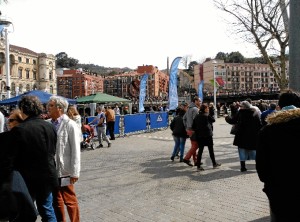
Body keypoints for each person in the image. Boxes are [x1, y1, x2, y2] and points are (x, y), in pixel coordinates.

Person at [1, 96, 58, 221]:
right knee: (47, 210)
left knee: (25, 212)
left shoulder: (20, 130)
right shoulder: (50, 127)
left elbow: (11, 158)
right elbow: (52, 150)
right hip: (48, 175)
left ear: (23, 110)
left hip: (27, 178)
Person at [256, 90, 300, 221]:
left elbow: (261, 168)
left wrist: (270, 185)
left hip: (279, 192)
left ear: (279, 107)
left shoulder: (266, 131)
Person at [47, 95, 81, 222]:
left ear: (59, 108)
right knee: (57, 199)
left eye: (51, 106)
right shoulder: (48, 124)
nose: (48, 108)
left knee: (70, 199)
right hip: (52, 169)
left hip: (65, 169)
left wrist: (75, 172)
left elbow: (76, 150)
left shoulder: (70, 125)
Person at [0, 109, 38, 222]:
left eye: (11, 120)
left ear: (20, 121)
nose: (8, 123)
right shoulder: (5, 137)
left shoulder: (22, 136)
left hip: (20, 182)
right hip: (13, 184)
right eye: (8, 120)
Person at [225, 100, 262, 172]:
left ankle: (243, 167)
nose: (240, 107)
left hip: (241, 135)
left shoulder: (241, 113)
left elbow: (233, 121)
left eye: (241, 106)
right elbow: (259, 125)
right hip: (252, 136)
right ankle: (258, 166)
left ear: (244, 107)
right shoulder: (255, 113)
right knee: (254, 150)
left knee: (242, 150)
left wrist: (227, 118)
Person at [192, 103, 221, 171]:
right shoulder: (207, 116)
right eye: (207, 108)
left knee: (200, 151)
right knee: (211, 150)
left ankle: (198, 166)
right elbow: (213, 120)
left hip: (200, 135)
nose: (208, 109)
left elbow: (193, 127)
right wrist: (210, 113)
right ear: (205, 109)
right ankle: (214, 163)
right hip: (208, 135)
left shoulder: (197, 116)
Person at [182, 96, 201, 167]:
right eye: (199, 101)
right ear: (195, 101)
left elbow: (184, 118)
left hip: (189, 130)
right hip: (194, 130)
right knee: (196, 146)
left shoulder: (189, 109)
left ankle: (195, 161)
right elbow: (196, 121)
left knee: (194, 145)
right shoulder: (195, 109)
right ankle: (187, 158)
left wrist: (186, 127)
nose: (200, 102)